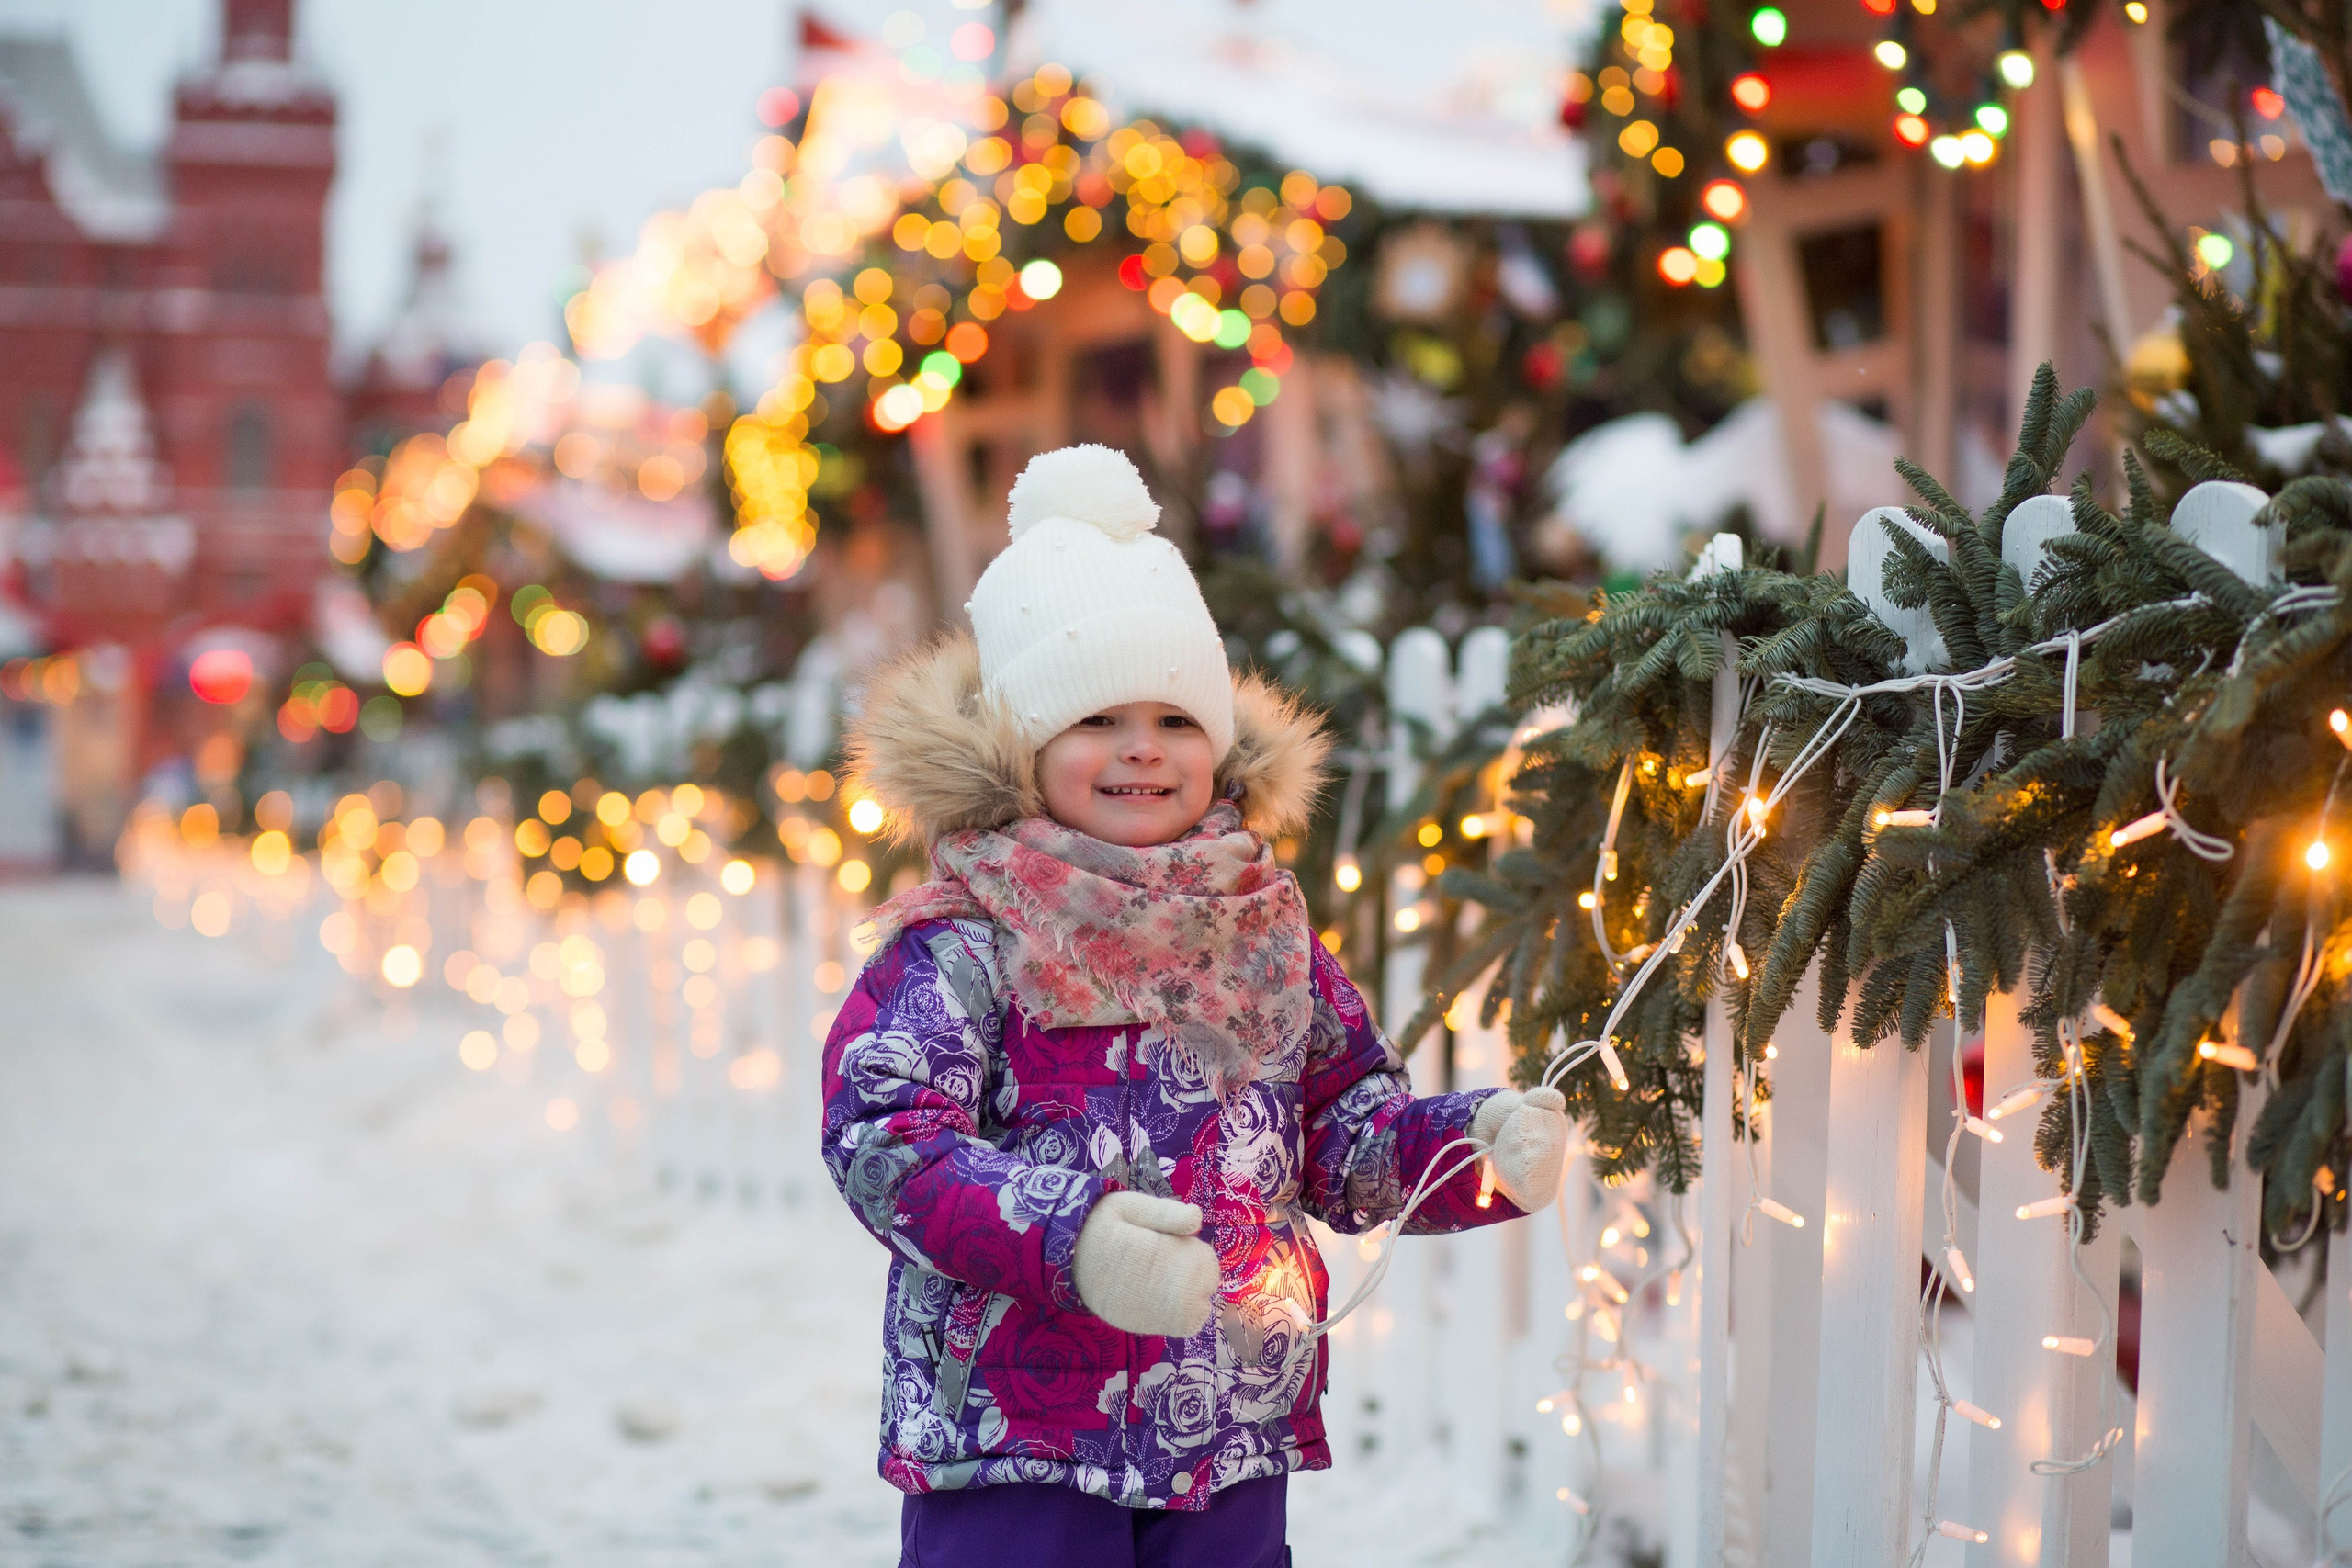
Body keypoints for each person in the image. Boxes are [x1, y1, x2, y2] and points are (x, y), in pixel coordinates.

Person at [821, 445, 1570, 1568]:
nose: (1141, 747)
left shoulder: (1261, 928)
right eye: (1095, 718)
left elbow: (1341, 1131)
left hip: (1224, 1424)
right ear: (1024, 747)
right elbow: (888, 1144)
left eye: (1175, 718)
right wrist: (1075, 1239)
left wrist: (1472, 1150)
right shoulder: (967, 939)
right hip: (1018, 1431)